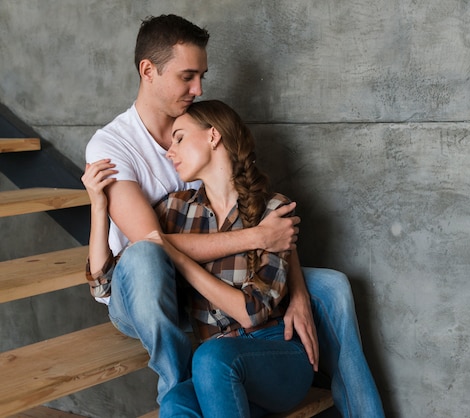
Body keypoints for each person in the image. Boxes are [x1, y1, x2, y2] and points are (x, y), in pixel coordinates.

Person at [84, 14, 384, 416]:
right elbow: (150, 243)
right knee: (146, 263)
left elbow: (266, 213)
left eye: (202, 76)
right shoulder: (115, 144)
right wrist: (258, 238)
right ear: (148, 71)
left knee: (330, 288)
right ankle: (176, 378)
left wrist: (295, 294)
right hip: (151, 290)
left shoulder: (196, 121)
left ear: (212, 137)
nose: (198, 88)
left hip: (225, 284)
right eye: (188, 77)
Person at [84, 100, 314, 417]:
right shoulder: (174, 210)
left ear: (213, 136)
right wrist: (99, 207)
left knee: (210, 357)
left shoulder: (273, 210)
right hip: (216, 374)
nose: (169, 151)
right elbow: (106, 284)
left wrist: (178, 257)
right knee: (176, 400)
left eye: (179, 138)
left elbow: (252, 313)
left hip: (273, 354)